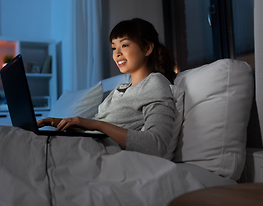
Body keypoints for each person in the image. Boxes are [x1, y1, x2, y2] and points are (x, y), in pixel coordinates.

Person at [37, 18, 177, 158]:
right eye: (114, 47)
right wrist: (63, 123)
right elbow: (98, 130)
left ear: (147, 48)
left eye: (125, 45)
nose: (117, 54)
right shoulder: (120, 89)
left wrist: (96, 124)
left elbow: (157, 145)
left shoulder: (155, 83)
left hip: (99, 153)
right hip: (86, 144)